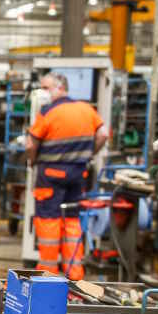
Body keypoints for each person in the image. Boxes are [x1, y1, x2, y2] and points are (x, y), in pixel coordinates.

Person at [25, 72, 109, 280]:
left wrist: (32, 160)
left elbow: (30, 143)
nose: (42, 92)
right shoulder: (87, 109)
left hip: (50, 176)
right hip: (77, 175)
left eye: (45, 88)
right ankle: (75, 274)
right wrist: (90, 154)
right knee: (72, 221)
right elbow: (104, 134)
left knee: (49, 222)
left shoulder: (48, 112)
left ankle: (48, 275)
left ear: (59, 88)